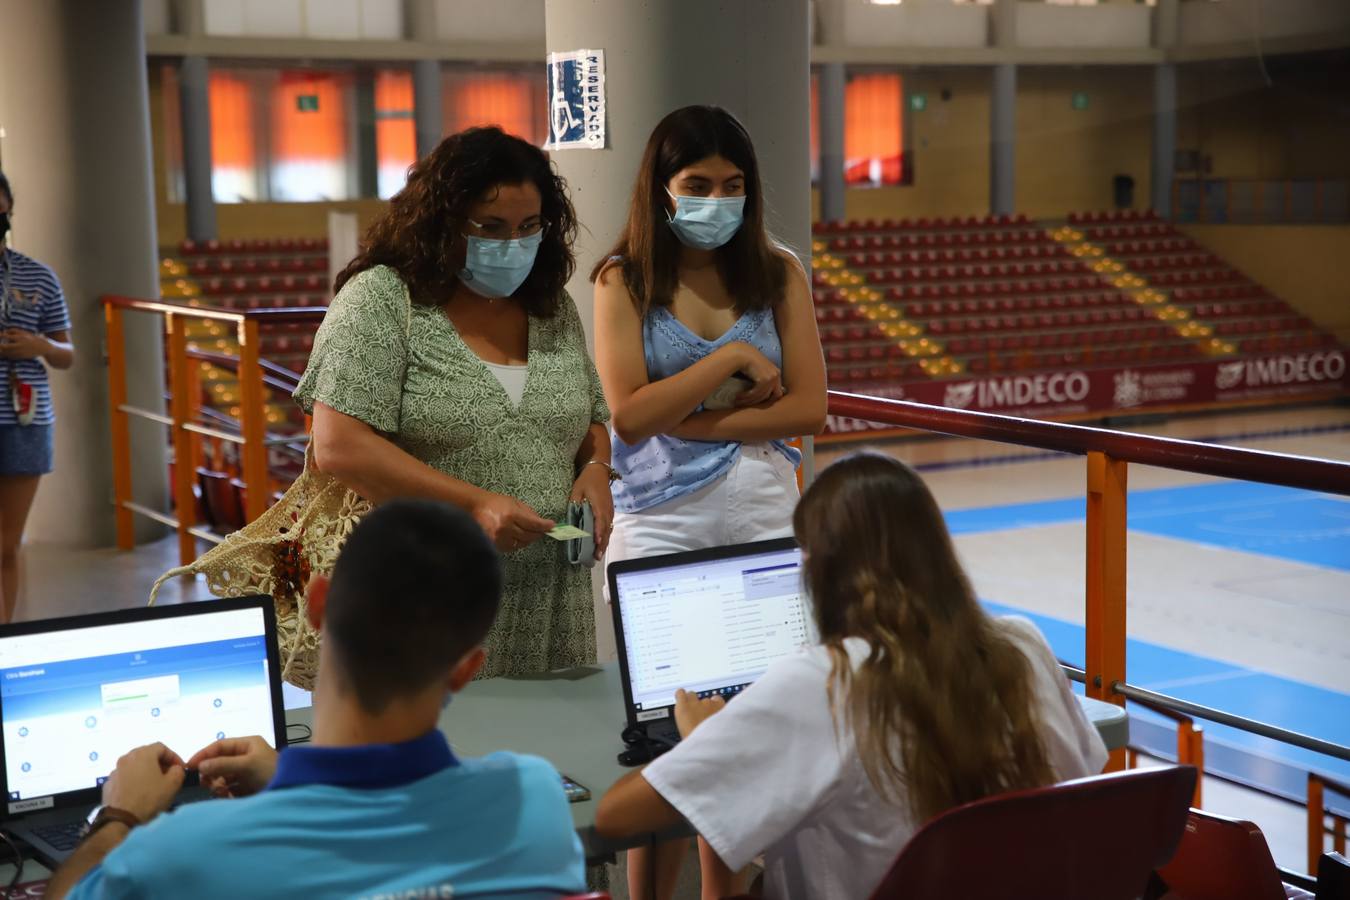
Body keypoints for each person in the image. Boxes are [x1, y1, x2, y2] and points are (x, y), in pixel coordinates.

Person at [594, 452, 1109, 900]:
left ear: (820, 570)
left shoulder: (821, 682)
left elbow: (614, 817)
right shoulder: (1022, 643)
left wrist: (705, 740)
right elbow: (1084, 774)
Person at [48, 499, 587, 899]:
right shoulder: (535, 802)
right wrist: (286, 778)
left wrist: (117, 815)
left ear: (318, 603)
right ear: (467, 669)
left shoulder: (178, 857)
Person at [591, 107, 826, 896]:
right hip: (660, 524)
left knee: (754, 740)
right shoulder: (622, 279)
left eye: (732, 185)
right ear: (662, 190)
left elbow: (808, 408)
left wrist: (688, 417)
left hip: (764, 515)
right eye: (697, 184)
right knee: (666, 739)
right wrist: (729, 358)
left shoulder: (778, 270)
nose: (716, 200)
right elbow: (627, 413)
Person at [295, 127, 613, 679]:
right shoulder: (382, 301)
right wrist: (474, 504)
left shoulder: (551, 307)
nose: (512, 243)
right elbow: (339, 446)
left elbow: (589, 417)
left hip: (549, 598)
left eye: (528, 227)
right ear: (441, 222)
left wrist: (596, 467)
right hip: (430, 592)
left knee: (554, 758)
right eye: (490, 228)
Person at [0, 170, 75, 623]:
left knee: (7, 544)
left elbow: (67, 354)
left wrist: (39, 346)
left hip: (24, 421)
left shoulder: (38, 275)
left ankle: (7, 637)